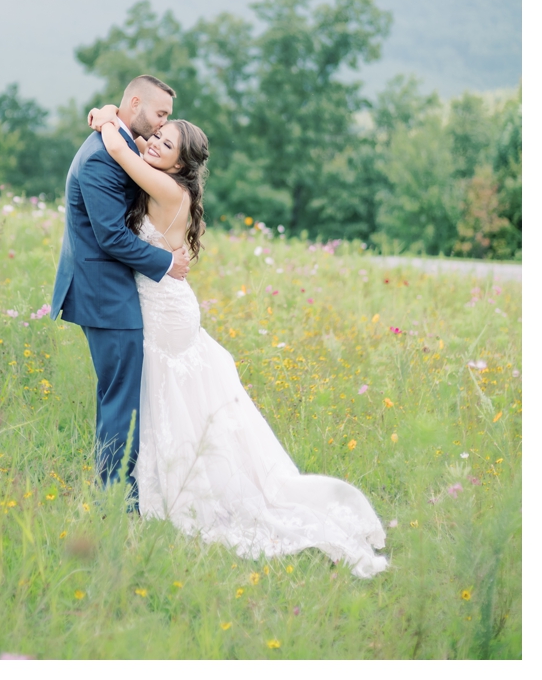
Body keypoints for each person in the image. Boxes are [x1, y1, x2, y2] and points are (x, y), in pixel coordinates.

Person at [85, 101, 388, 577]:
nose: (155, 144)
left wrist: (106, 118)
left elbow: (120, 152)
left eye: (167, 145)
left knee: (170, 396)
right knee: (173, 398)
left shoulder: (165, 186)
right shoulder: (163, 172)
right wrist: (132, 130)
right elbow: (139, 146)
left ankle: (188, 489)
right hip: (162, 301)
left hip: (166, 312)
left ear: (181, 165)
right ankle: (164, 482)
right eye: (157, 137)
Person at [50, 76, 190, 500]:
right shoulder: (101, 158)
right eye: (160, 114)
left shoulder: (121, 143)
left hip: (116, 292)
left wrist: (106, 115)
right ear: (134, 103)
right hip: (104, 295)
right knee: (120, 400)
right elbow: (110, 235)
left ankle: (123, 489)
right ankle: (117, 500)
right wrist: (167, 263)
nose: (164, 122)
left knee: (120, 395)